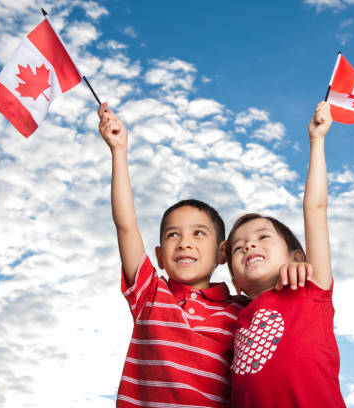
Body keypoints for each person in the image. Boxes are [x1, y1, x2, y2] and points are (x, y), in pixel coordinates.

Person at [98, 101, 247, 408]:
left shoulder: (242, 310)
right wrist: (119, 151)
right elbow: (126, 226)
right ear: (160, 256)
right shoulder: (150, 294)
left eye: (198, 233)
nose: (184, 243)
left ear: (223, 252)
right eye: (173, 235)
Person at [225, 101, 346, 407]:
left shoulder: (310, 288)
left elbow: (315, 210)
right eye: (238, 247)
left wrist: (316, 141)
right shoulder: (235, 319)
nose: (249, 246)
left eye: (263, 237)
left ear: (295, 257)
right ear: (236, 281)